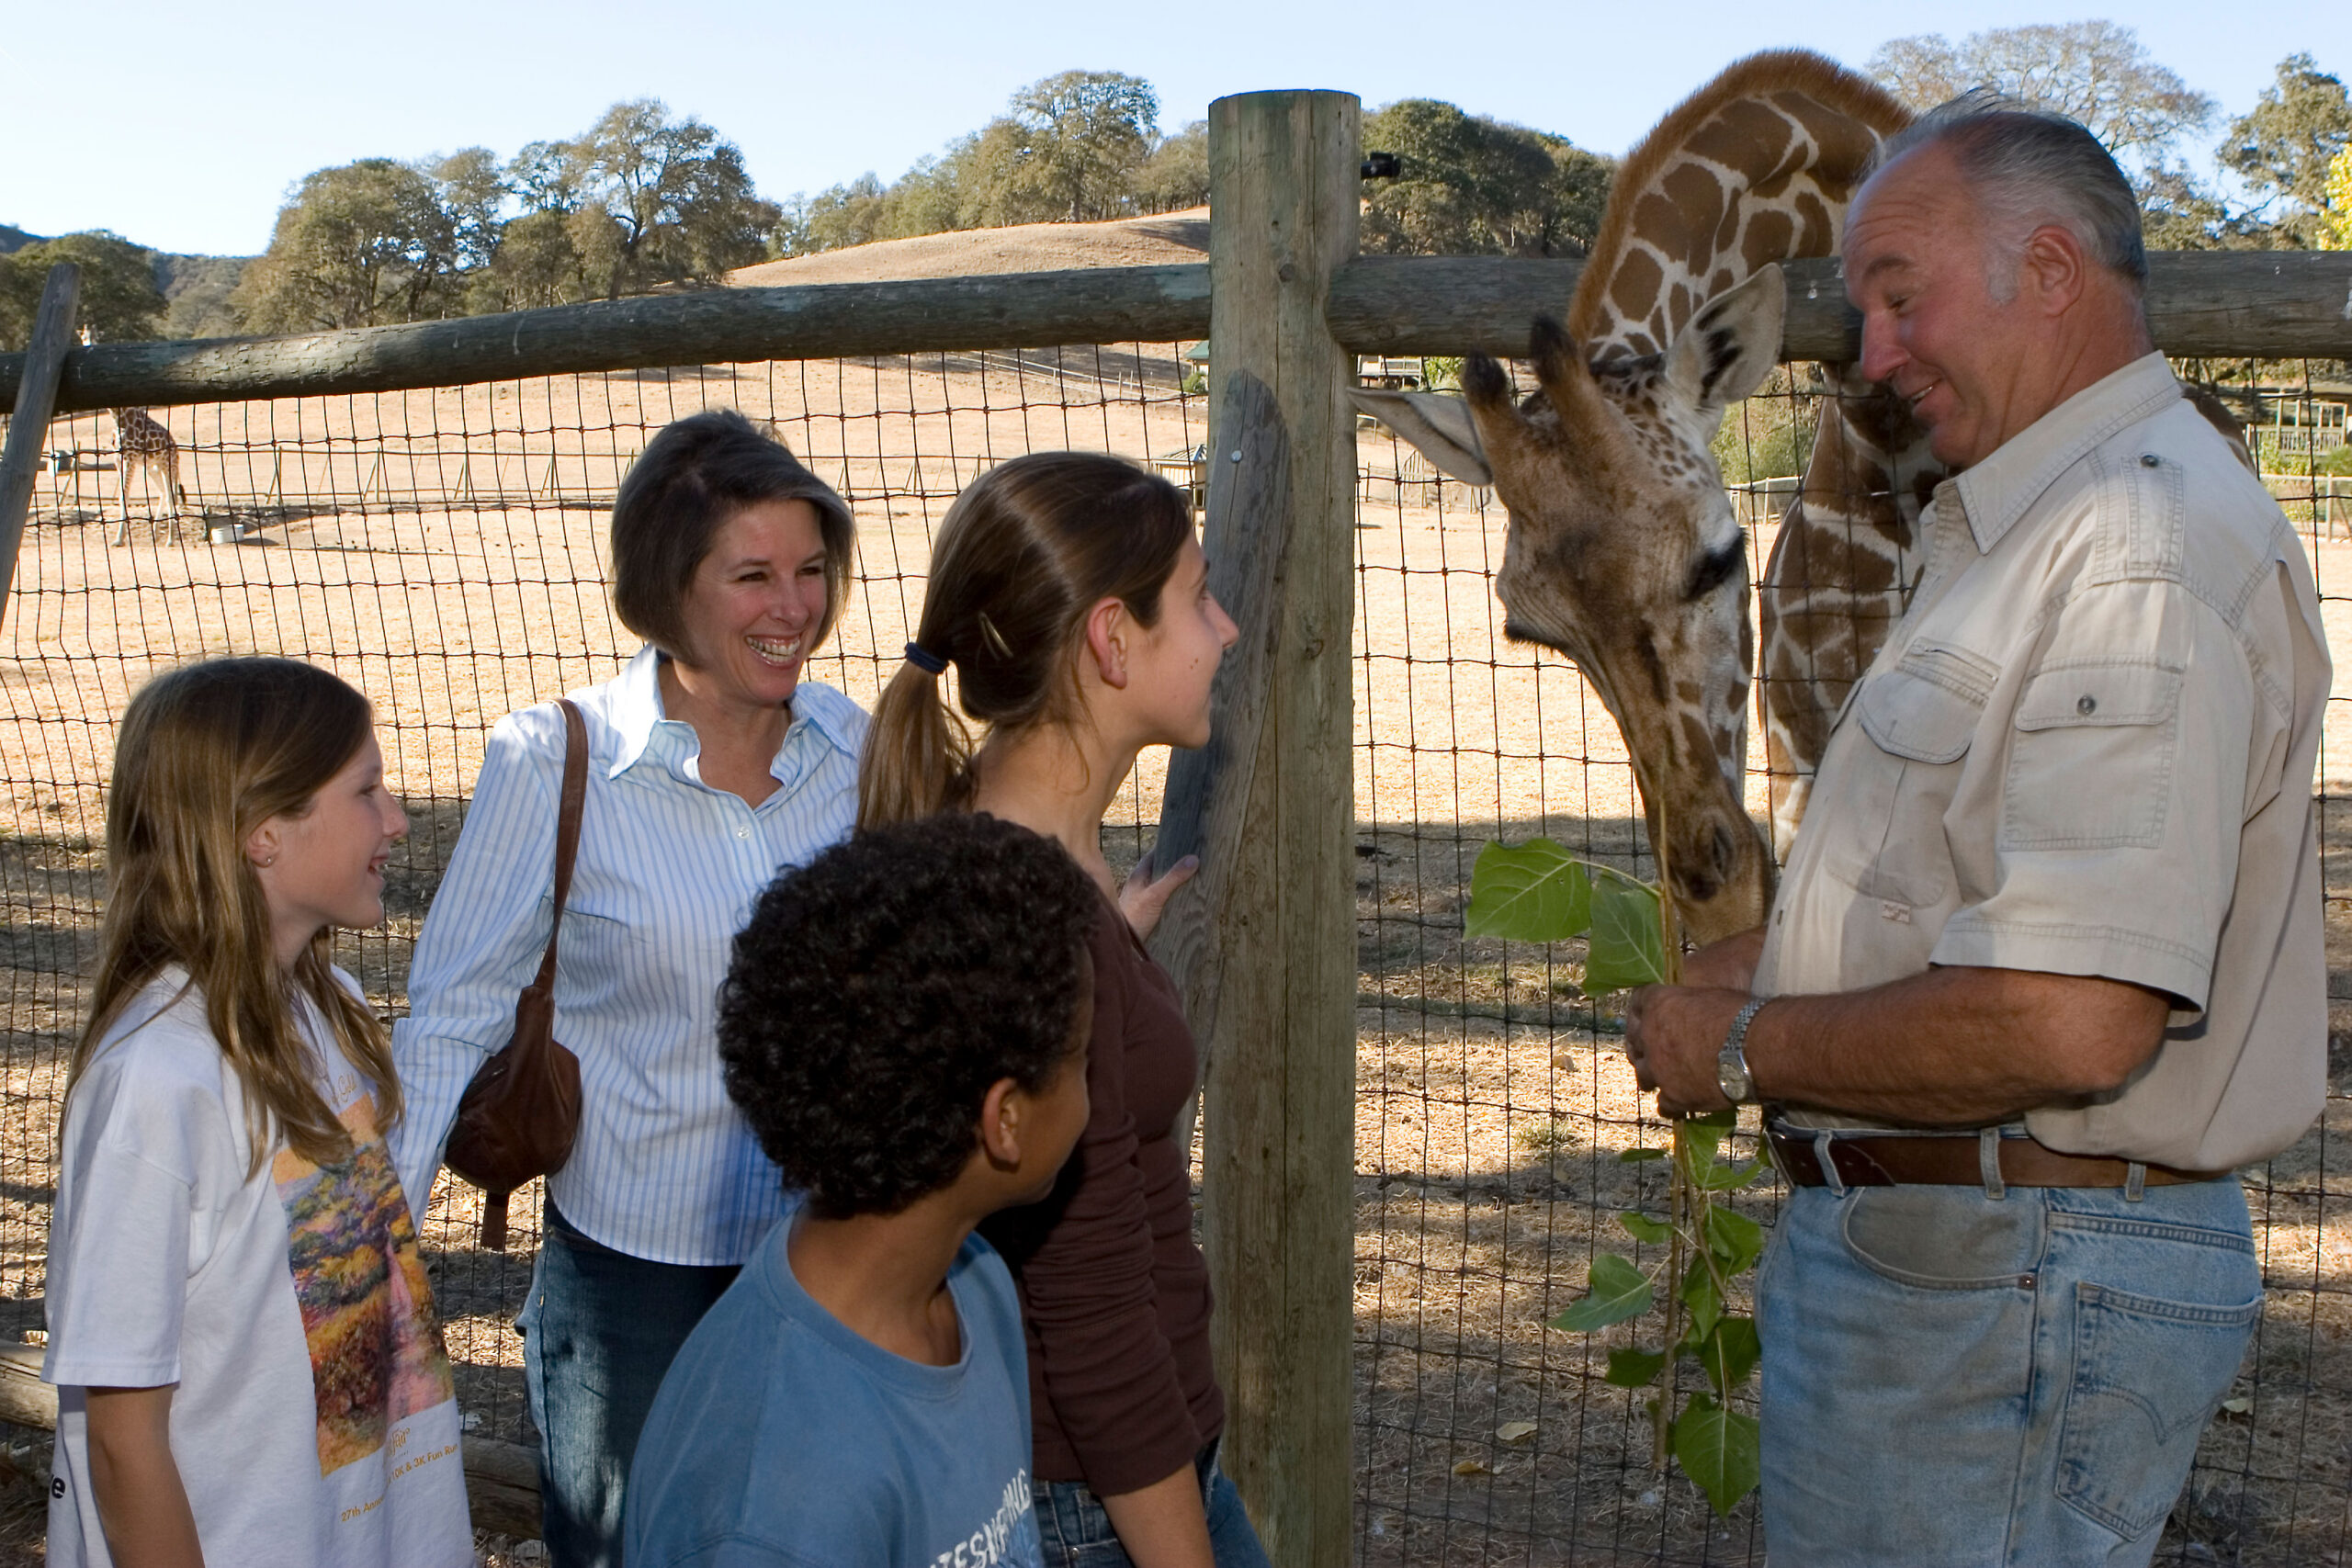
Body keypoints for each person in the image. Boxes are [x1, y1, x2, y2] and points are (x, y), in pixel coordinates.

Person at [1621, 98, 2330, 1566]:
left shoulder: (2132, 555)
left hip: (2008, 1288)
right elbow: (1992, 894)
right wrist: (1774, 959)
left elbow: (2074, 1017)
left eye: (1899, 297)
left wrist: (1745, 1048)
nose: (1872, 353)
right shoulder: (2030, 528)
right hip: (1972, 1280)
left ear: (2054, 272)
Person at [392, 409, 865, 1566]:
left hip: (833, 1258)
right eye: (752, 574)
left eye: (811, 570)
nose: (794, 606)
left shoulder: (859, 750)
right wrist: (377, 1270)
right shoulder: (551, 760)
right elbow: (451, 1014)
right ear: (665, 589)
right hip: (631, 1279)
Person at [860, 450, 1268, 1568]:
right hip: (1101, 1509)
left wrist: (1112, 963)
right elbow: (1089, 1317)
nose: (1223, 628)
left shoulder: (1012, 873)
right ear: (1110, 638)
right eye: (1194, 597)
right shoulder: (1034, 924)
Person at [43, 658, 470, 1568]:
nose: (397, 819)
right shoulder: (159, 1079)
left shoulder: (323, 1011)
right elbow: (122, 1440)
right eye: (367, 791)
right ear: (261, 833)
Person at [626, 811, 1098, 1566]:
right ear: (1004, 1119)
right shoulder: (772, 1508)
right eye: (1081, 1057)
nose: (1092, 1091)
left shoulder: (974, 1287)